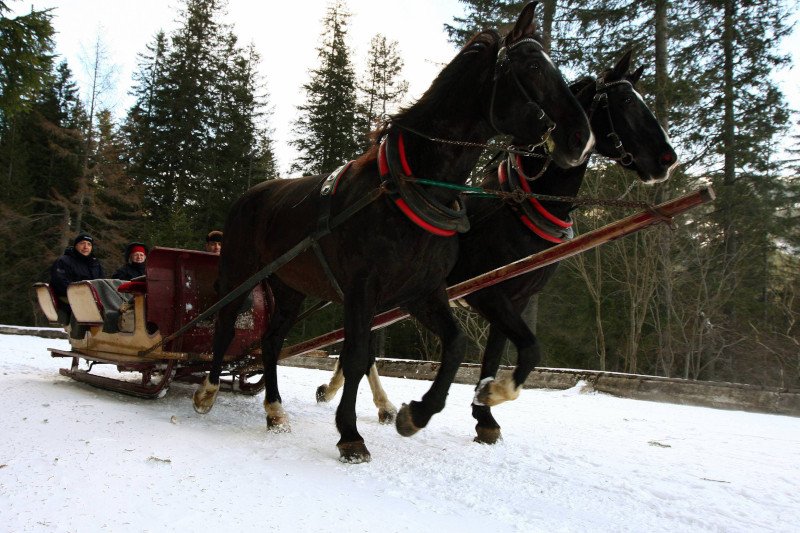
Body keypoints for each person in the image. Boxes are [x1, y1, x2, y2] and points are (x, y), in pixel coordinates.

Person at [50, 233, 105, 300]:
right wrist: (80, 293)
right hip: (70, 298)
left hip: (93, 298)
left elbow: (101, 282)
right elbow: (59, 282)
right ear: (76, 245)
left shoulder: (95, 263)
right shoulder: (63, 261)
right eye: (82, 243)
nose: (86, 247)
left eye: (89, 244)